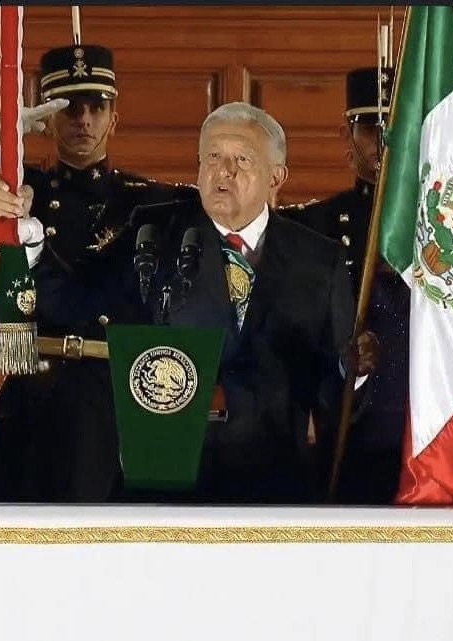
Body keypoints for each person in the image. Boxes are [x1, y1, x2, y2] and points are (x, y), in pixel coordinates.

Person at [0, 44, 197, 502]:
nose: (83, 120)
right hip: (36, 390)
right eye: (69, 108)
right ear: (47, 121)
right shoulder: (15, 193)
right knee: (18, 531)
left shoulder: (150, 201)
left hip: (115, 397)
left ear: (114, 118)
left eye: (96, 107)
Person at [129, 102, 378, 504]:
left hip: (277, 488)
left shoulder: (318, 259)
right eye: (213, 157)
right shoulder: (154, 238)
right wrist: (30, 242)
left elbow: (334, 393)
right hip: (170, 487)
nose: (223, 171)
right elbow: (84, 303)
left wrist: (353, 371)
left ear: (276, 176)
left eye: (242, 159)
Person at [278, 67, 407, 504]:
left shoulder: (442, 224)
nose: (385, 141)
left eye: (397, 126)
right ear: (346, 136)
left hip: (429, 420)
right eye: (371, 128)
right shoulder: (316, 225)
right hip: (348, 427)